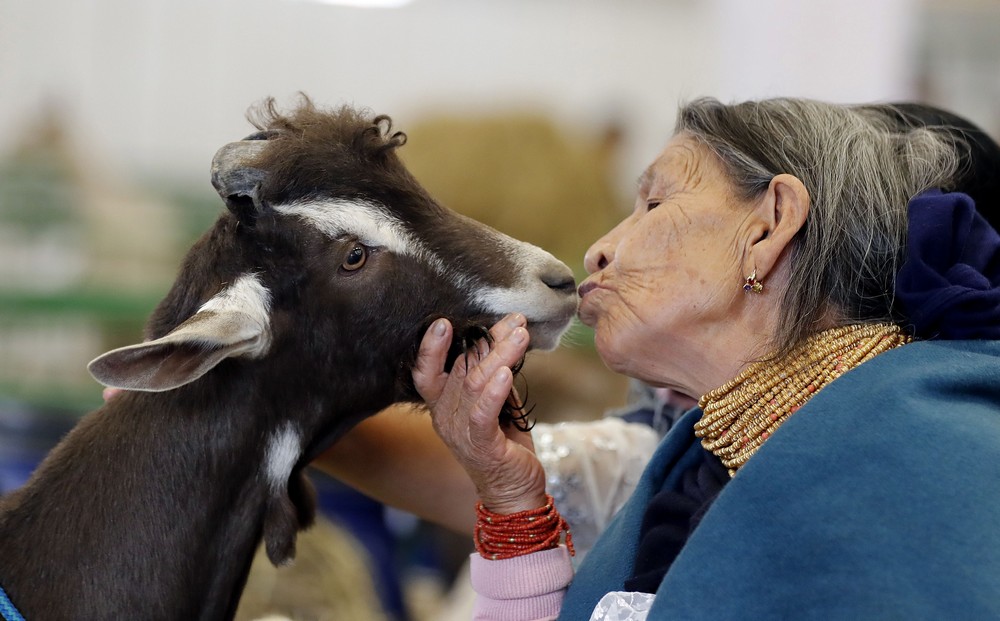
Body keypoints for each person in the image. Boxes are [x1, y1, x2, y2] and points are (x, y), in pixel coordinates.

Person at [395, 97, 1000, 620]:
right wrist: (512, 500)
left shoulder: (919, 453)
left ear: (770, 226)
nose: (599, 250)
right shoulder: (694, 464)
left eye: (655, 203)